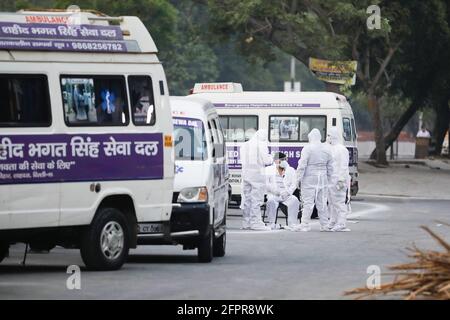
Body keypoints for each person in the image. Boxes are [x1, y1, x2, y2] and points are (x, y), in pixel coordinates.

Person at [295, 128, 334, 232]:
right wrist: (329, 179)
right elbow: (330, 167)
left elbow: (302, 165)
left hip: (309, 178)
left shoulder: (308, 148)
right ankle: (324, 225)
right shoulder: (327, 149)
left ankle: (305, 224)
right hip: (323, 179)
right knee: (322, 203)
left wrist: (298, 179)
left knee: (307, 202)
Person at [240, 129, 273, 231]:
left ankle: (246, 223)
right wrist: (272, 158)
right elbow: (267, 160)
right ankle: (256, 223)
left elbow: (242, 161)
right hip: (257, 175)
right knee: (256, 200)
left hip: (246, 175)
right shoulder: (261, 145)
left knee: (247, 199)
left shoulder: (244, 145)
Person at [265, 152, 300, 230]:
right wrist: (276, 192)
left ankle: (292, 223)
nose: (284, 161)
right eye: (282, 160)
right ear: (276, 161)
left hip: (286, 195)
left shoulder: (290, 170)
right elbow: (266, 184)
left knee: (294, 200)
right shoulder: (269, 169)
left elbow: (294, 184)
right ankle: (271, 223)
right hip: (274, 194)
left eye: (285, 159)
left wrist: (288, 192)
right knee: (271, 201)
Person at [326, 127, 351, 232]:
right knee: (331, 202)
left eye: (329, 135)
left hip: (338, 180)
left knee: (339, 202)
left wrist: (341, 179)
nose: (328, 138)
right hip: (330, 180)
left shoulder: (342, 149)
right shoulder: (329, 148)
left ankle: (341, 223)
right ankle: (333, 220)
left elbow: (344, 165)